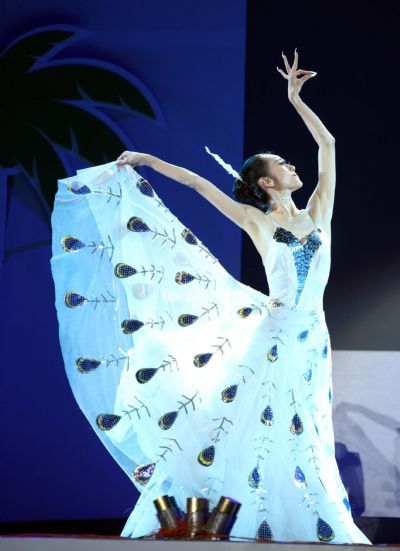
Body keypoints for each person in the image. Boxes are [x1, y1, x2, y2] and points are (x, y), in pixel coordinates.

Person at [50, 50, 372, 544]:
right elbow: (201, 185)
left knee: (303, 428)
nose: (292, 165)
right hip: (276, 332)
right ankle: (201, 513)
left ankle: (284, 516)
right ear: (267, 182)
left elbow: (327, 143)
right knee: (241, 422)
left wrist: (295, 98)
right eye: (282, 165)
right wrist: (148, 160)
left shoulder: (318, 211)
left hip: (313, 335)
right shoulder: (257, 220)